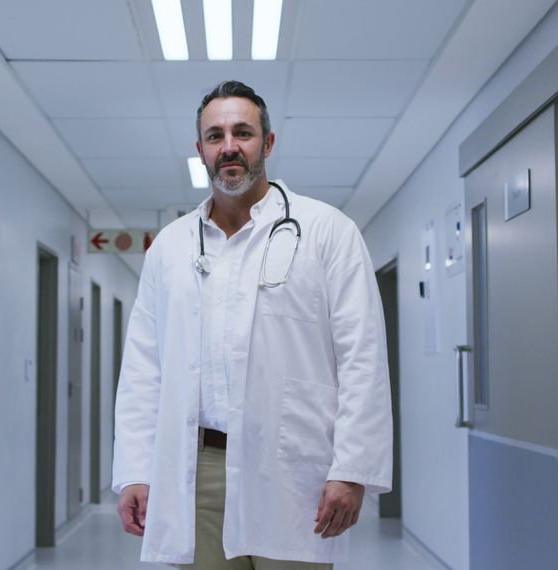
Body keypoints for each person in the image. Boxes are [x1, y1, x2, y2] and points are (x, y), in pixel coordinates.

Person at [112, 80, 392, 569]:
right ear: (200, 150)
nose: (229, 147)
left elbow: (362, 358)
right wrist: (135, 470)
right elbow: (143, 369)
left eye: (242, 132)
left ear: (268, 142)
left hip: (295, 471)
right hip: (199, 472)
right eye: (215, 136)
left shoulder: (327, 232)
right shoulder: (172, 247)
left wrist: (352, 470)